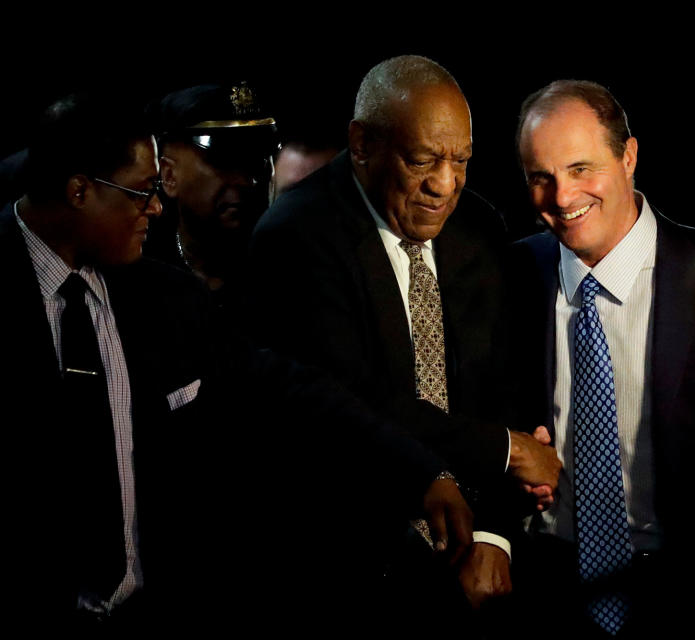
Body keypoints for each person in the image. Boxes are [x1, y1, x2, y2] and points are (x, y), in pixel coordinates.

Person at [0, 92, 472, 632]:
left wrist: (417, 469)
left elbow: (288, 390)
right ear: (79, 191)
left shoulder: (163, 297)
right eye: (140, 192)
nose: (155, 207)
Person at [246, 55, 561, 610]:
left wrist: (492, 537)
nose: (445, 185)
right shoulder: (296, 237)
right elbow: (351, 404)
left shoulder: (479, 228)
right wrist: (503, 450)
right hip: (355, 568)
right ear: (362, 144)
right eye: (422, 161)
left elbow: (502, 388)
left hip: (479, 563)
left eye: (461, 160)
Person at [510, 80, 695, 637]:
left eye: (580, 169)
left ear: (629, 155)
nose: (562, 197)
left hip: (692, 599)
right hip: (546, 595)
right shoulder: (508, 277)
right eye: (540, 177)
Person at [148, 82, 277, 312]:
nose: (246, 180)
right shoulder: (137, 275)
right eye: (223, 162)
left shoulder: (291, 269)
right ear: (169, 176)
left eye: (256, 161)